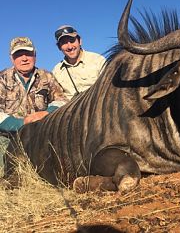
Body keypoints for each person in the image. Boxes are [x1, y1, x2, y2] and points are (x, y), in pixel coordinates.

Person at [0, 37, 68, 172]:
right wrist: (21, 123)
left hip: (41, 135)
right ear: (12, 58)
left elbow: (62, 101)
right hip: (8, 136)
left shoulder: (46, 76)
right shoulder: (2, 79)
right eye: (19, 55)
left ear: (35, 55)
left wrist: (47, 112)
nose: (24, 58)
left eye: (28, 54)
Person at [52, 25, 106, 100]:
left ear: (80, 41)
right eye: (64, 43)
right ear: (59, 47)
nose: (70, 47)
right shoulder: (56, 71)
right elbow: (58, 100)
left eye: (72, 41)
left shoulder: (98, 60)